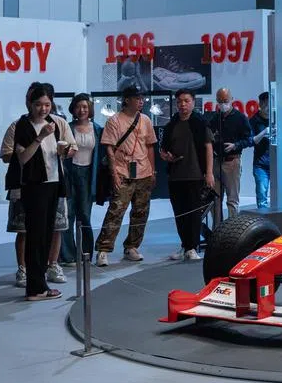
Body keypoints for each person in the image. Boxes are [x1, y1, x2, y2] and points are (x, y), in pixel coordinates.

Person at [5, 82, 74, 301]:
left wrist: (64, 150)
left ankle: (41, 284)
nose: (43, 109)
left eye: (47, 104)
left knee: (46, 234)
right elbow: (22, 158)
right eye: (38, 104)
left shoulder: (55, 123)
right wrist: (40, 137)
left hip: (53, 182)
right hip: (33, 186)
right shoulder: (23, 126)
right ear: (30, 104)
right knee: (34, 236)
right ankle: (34, 288)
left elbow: (62, 152)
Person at [96, 86, 157, 267]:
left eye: (142, 98)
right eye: (137, 98)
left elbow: (150, 146)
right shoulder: (114, 120)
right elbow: (109, 148)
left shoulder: (145, 120)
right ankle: (103, 249)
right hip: (123, 171)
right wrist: (113, 173)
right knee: (116, 211)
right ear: (127, 99)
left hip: (144, 172)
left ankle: (132, 246)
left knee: (140, 212)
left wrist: (153, 171)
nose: (141, 101)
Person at [161, 89, 215, 261]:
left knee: (194, 213)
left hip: (195, 174)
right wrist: (166, 156)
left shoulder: (200, 122)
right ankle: (184, 245)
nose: (182, 104)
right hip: (176, 175)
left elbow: (208, 147)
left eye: (186, 101)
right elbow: (164, 148)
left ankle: (192, 246)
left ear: (193, 101)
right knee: (179, 213)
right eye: (179, 102)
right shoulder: (172, 123)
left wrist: (209, 173)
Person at [61, 93, 103, 265]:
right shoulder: (67, 128)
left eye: (85, 106)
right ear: (73, 109)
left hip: (88, 174)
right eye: (78, 106)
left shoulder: (98, 129)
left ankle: (85, 253)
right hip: (70, 173)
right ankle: (68, 255)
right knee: (68, 214)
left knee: (84, 215)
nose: (82, 110)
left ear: (90, 108)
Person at [205, 88, 251, 226]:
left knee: (232, 200)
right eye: (219, 101)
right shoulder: (214, 118)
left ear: (231, 99)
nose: (222, 104)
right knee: (215, 201)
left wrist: (236, 145)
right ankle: (217, 231)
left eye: (225, 101)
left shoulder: (240, 118)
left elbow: (249, 139)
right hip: (216, 162)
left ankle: (232, 231)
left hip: (232, 162)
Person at [249, 92, 271, 209]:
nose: (268, 109)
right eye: (266, 105)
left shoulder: (277, 118)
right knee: (262, 196)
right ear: (260, 105)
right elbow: (251, 141)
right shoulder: (254, 120)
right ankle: (264, 225)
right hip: (261, 165)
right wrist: (264, 132)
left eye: (270, 105)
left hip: (277, 164)